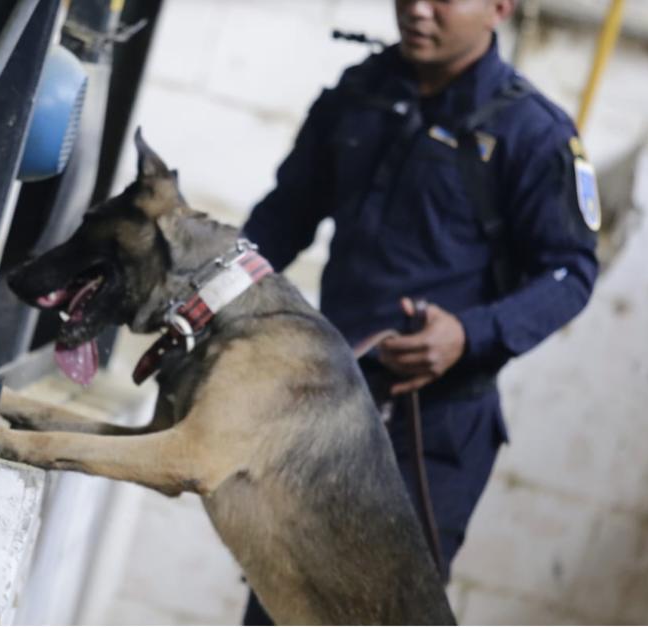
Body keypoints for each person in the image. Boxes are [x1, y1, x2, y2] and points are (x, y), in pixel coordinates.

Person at [240, 0, 599, 622]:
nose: (417, 10)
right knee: (279, 605)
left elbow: (570, 273)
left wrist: (470, 334)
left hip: (432, 437)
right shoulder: (360, 94)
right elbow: (283, 217)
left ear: (499, 8)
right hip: (325, 414)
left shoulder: (533, 134)